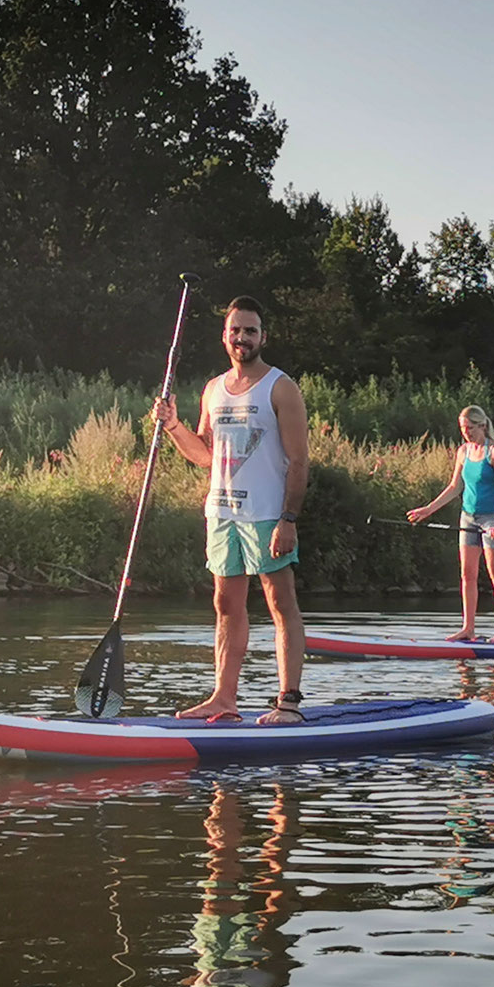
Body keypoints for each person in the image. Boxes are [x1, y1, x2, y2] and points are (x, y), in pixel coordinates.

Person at [152, 296, 310, 726]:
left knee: (281, 603)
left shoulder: (281, 387)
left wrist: (288, 519)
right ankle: (224, 699)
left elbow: (299, 461)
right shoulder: (213, 389)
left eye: (250, 331)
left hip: (266, 515)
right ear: (225, 336)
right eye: (235, 330)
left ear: (263, 337)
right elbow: (205, 455)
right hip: (222, 514)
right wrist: (172, 425)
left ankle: (288, 702)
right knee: (226, 605)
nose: (242, 338)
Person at [406, 405, 494, 643]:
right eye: (463, 429)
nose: (466, 433)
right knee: (467, 574)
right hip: (468, 517)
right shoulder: (463, 451)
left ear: (482, 426)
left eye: (470, 428)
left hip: (491, 518)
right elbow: (455, 487)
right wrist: (428, 510)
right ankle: (468, 628)